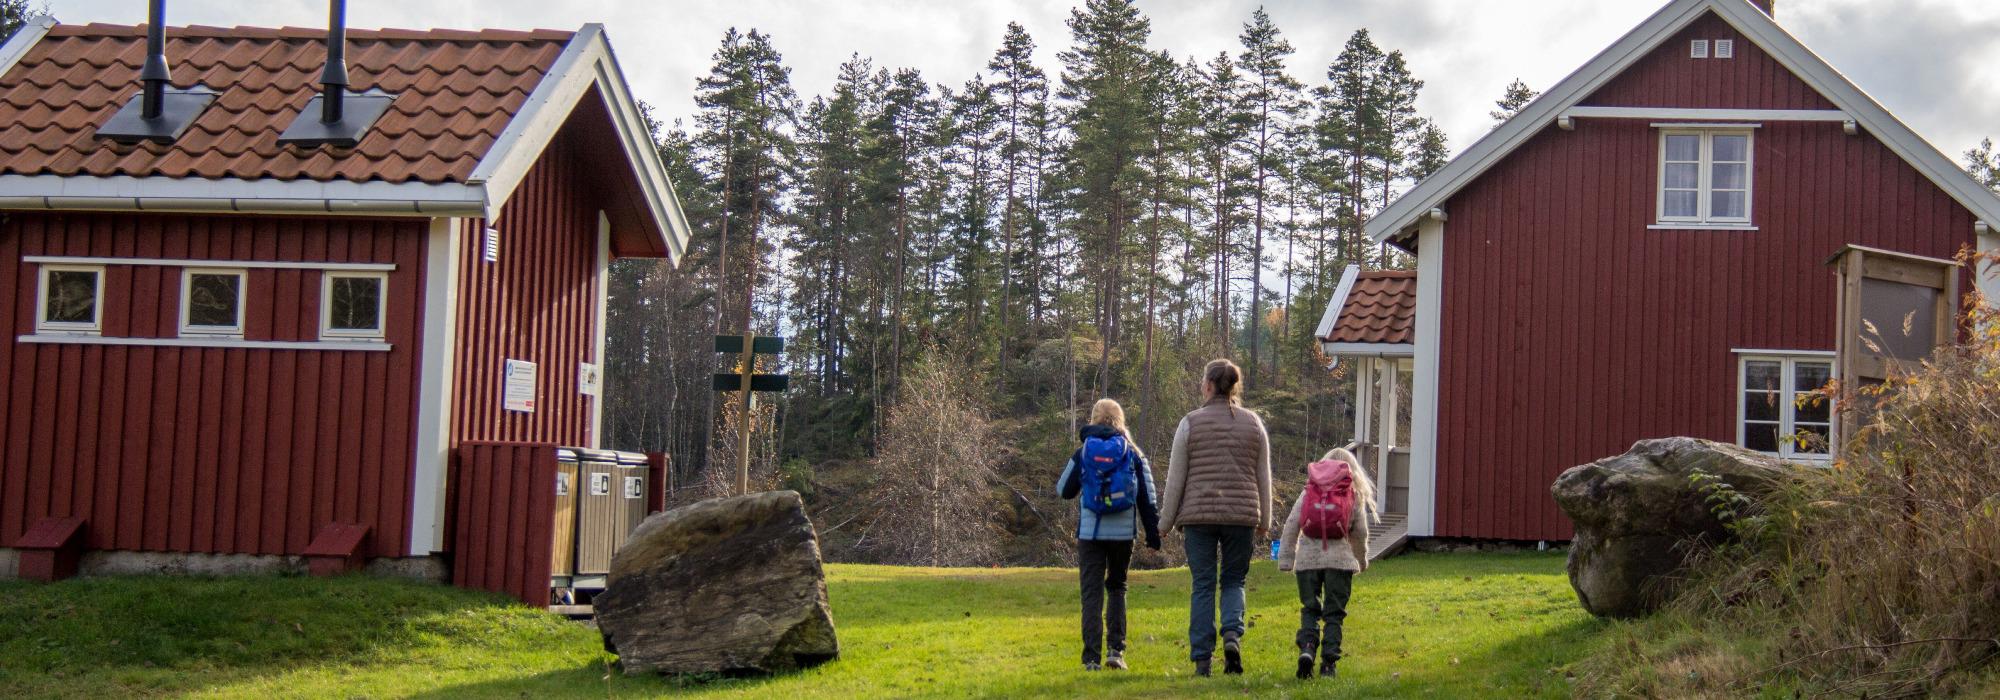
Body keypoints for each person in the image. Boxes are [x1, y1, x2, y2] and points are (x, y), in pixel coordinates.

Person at [1159, 358, 1273, 677]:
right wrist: (1265, 518)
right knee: (1234, 580)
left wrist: (1164, 523)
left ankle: (1202, 660)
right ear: (1234, 386)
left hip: (1199, 517)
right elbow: (1264, 477)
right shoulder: (1254, 423)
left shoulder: (1190, 422)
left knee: (1203, 584)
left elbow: (1175, 480)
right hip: (1242, 516)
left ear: (1209, 385)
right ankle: (1233, 636)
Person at [1056, 398, 1162, 671]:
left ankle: (1091, 659)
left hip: (1091, 534)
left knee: (1091, 594)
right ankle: (1116, 651)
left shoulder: (1084, 452)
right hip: (1123, 534)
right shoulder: (1133, 453)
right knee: (1117, 587)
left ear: (1093, 419)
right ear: (1120, 420)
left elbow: (1063, 490)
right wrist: (1153, 534)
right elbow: (1147, 498)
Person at [1277, 447, 1377, 680]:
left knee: (1310, 609)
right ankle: (1329, 666)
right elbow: (1360, 532)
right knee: (1334, 615)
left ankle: (1308, 649)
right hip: (1340, 563)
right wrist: (1361, 560)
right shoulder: (1351, 492)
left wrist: (1286, 558)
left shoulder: (1310, 490)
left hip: (1307, 562)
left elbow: (1292, 524)